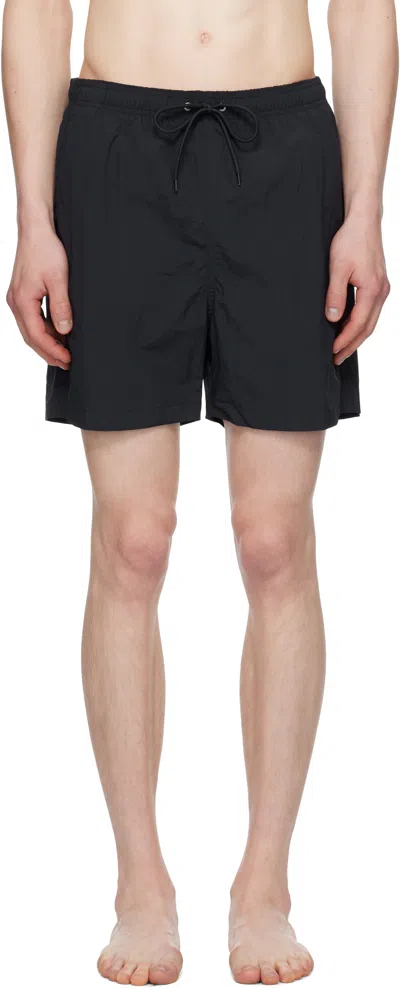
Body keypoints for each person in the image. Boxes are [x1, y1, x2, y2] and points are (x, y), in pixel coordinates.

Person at [2, 0, 397, 983]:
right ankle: (140, 882)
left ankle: (265, 885)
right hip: (115, 149)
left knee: (274, 538)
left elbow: (363, 7)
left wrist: (364, 210)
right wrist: (34, 219)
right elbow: (34, 7)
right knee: (132, 538)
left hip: (286, 150)